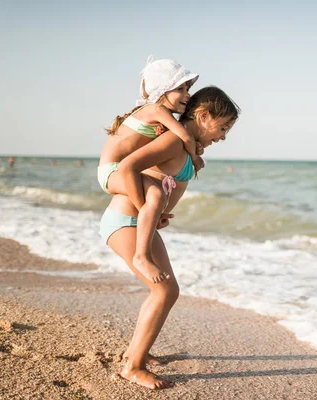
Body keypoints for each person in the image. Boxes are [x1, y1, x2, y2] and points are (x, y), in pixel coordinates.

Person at [100, 86, 240, 389]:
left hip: (138, 224)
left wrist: (194, 157)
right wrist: (145, 207)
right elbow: (127, 167)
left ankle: (137, 353)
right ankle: (133, 367)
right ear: (203, 116)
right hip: (126, 221)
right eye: (223, 127)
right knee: (164, 291)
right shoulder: (175, 142)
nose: (225, 135)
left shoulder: (184, 145)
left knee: (166, 290)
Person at [98, 57, 204, 284]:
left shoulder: (154, 114)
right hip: (111, 171)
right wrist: (196, 159)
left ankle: (149, 221)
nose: (187, 95)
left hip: (113, 170)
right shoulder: (155, 109)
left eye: (188, 88)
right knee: (155, 195)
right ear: (162, 90)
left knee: (155, 197)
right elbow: (184, 136)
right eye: (181, 88)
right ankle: (142, 256)